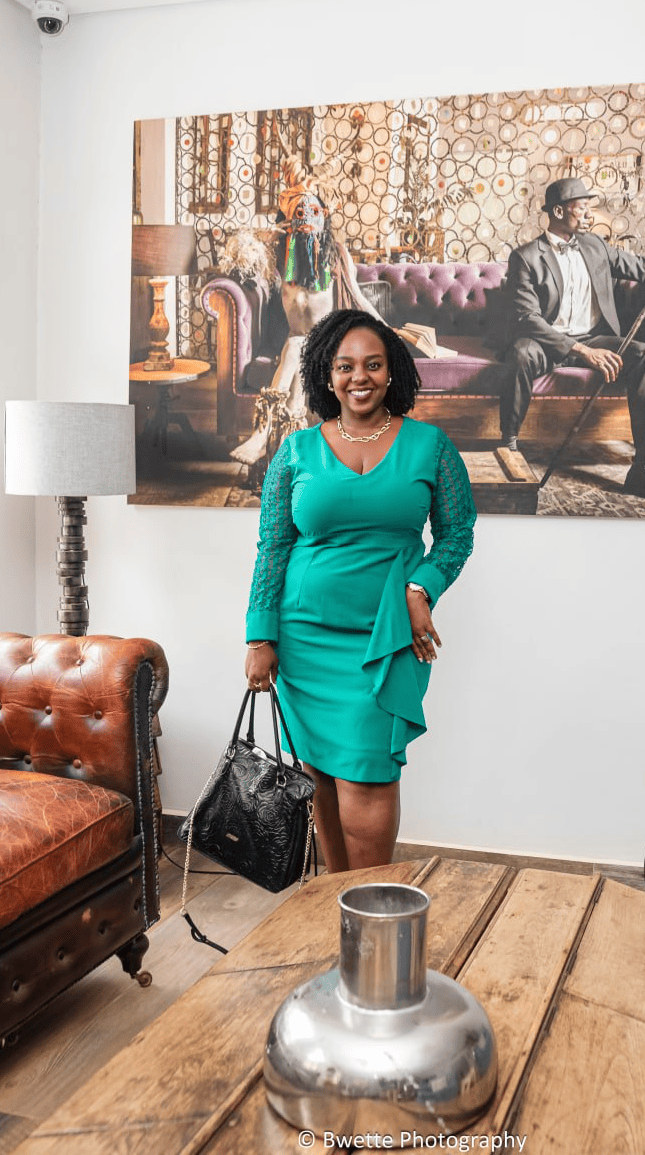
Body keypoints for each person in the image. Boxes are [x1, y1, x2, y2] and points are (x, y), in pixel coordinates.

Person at [244, 309, 476, 873]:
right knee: (320, 775)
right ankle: (336, 902)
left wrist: (421, 589)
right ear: (327, 375)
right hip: (304, 639)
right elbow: (273, 548)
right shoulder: (296, 451)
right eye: (345, 366)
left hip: (385, 637)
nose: (359, 377)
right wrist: (260, 637)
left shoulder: (431, 446)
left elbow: (457, 534)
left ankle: (370, 905)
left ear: (391, 371)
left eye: (373, 364)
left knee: (367, 775)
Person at [499, 176, 645, 510]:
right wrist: (581, 351)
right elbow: (527, 318)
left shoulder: (595, 246)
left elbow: (642, 267)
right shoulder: (527, 256)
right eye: (582, 207)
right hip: (547, 341)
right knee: (520, 353)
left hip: (593, 335)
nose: (589, 214)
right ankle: (508, 447)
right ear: (558, 211)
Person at [231, 156, 383, 468]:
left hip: (332, 342)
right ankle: (288, 447)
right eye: (299, 214)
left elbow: (357, 296)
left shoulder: (337, 256)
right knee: (297, 348)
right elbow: (247, 262)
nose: (306, 221)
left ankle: (262, 431)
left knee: (298, 346)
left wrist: (386, 329)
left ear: (324, 217)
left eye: (313, 212)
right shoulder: (280, 258)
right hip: (299, 343)